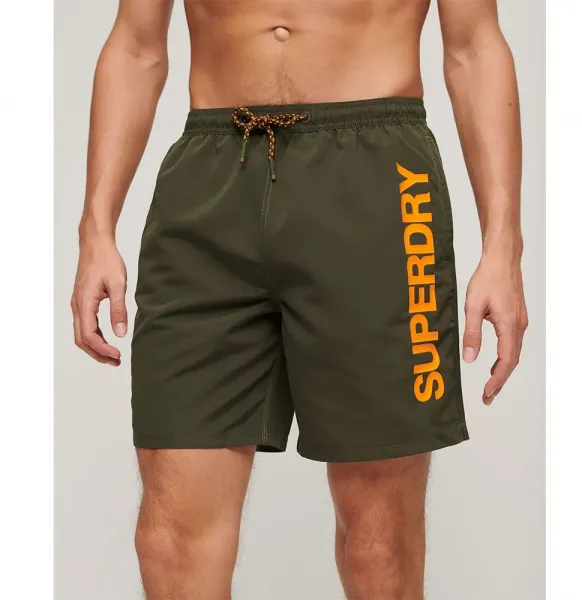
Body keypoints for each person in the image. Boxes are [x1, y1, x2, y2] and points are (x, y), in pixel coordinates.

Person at [71, 0, 528, 598]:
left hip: (374, 180)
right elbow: (136, 47)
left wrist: (503, 246)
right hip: (210, 178)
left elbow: (473, 49)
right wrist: (96, 228)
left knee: (379, 543)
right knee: (169, 541)